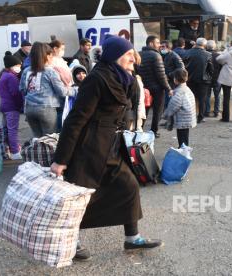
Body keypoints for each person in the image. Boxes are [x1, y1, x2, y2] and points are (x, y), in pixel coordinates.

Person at [50, 35, 163, 261]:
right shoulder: (97, 79)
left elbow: (127, 111)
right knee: (81, 198)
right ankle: (72, 243)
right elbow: (76, 119)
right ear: (114, 56)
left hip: (112, 145)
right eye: (128, 54)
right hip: (88, 147)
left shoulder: (126, 78)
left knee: (129, 186)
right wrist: (61, 159)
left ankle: (132, 239)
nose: (133, 57)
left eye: (132, 53)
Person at [19, 42, 70, 138]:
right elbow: (62, 91)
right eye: (50, 55)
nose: (52, 57)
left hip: (29, 109)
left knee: (37, 139)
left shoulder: (26, 71)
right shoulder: (50, 71)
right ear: (46, 56)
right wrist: (75, 90)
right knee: (49, 140)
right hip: (46, 109)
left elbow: (22, 88)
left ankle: (37, 153)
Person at [138, 35, 172, 138]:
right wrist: (168, 88)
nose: (159, 45)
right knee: (158, 110)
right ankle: (154, 130)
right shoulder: (156, 56)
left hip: (143, 88)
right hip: (157, 88)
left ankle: (140, 129)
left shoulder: (139, 54)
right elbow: (161, 75)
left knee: (144, 109)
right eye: (157, 43)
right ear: (151, 43)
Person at [0, 52, 23, 160]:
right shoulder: (11, 78)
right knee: (13, 130)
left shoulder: (3, 75)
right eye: (18, 66)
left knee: (8, 129)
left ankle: (12, 148)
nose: (19, 68)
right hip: (11, 107)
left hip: (5, 105)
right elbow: (16, 93)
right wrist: (20, 105)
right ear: (12, 66)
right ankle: (15, 152)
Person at [163, 68, 197, 148]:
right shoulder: (186, 89)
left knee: (182, 137)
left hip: (182, 118)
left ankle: (183, 151)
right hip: (187, 117)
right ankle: (184, 149)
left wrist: (165, 115)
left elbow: (173, 106)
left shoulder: (179, 93)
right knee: (184, 136)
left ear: (175, 79)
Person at [184, 37, 213, 124]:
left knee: (190, 98)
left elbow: (183, 66)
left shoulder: (188, 52)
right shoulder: (208, 54)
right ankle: (200, 117)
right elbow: (211, 69)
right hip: (203, 81)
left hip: (190, 79)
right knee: (202, 99)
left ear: (196, 43)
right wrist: (210, 77)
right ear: (204, 45)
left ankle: (190, 116)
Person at [49, 40, 73, 132]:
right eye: (62, 49)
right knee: (60, 114)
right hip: (60, 92)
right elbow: (63, 77)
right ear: (55, 49)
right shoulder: (53, 61)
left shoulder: (60, 60)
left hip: (65, 90)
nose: (63, 51)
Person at [205, 40, 222, 117]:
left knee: (207, 95)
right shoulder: (218, 55)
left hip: (207, 78)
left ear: (206, 46)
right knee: (217, 96)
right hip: (217, 78)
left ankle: (207, 111)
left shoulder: (204, 54)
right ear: (214, 47)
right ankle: (216, 111)